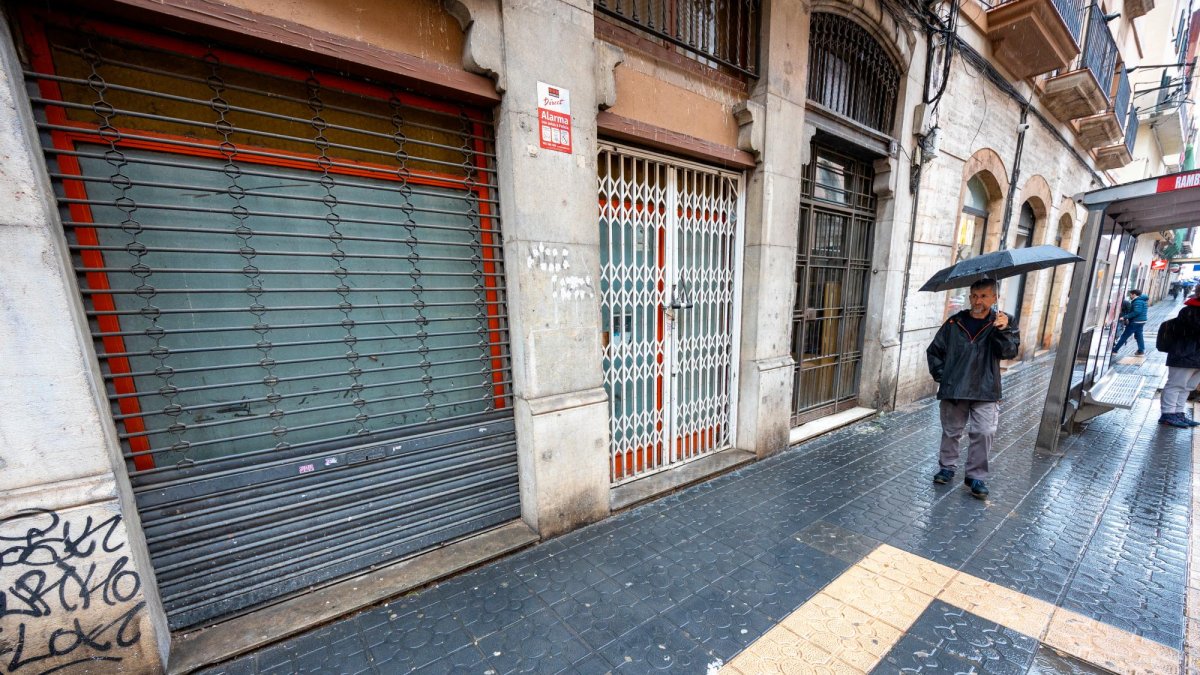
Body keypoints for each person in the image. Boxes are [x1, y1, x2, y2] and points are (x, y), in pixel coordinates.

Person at [926, 278, 1020, 499]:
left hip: (986, 389)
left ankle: (976, 476)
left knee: (984, 432)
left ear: (995, 298)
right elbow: (934, 351)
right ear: (969, 297)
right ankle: (947, 467)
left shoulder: (1005, 321)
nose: (978, 301)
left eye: (984, 296)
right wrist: (944, 376)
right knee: (951, 431)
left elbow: (1009, 353)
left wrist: (1004, 331)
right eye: (974, 296)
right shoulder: (954, 323)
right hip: (955, 388)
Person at [1156, 289, 1200, 428]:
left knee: (1188, 386)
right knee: (1176, 385)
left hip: (1195, 357)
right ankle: (1168, 414)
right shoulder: (1190, 310)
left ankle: (1178, 412)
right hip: (1184, 354)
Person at [1112, 289, 1148, 355]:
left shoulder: (1138, 301)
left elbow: (1137, 311)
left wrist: (1125, 317)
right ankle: (1141, 350)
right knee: (1139, 336)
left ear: (1134, 294)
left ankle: (1115, 350)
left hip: (1136, 321)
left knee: (1124, 336)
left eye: (1130, 294)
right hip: (1141, 321)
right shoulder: (1142, 300)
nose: (1130, 296)